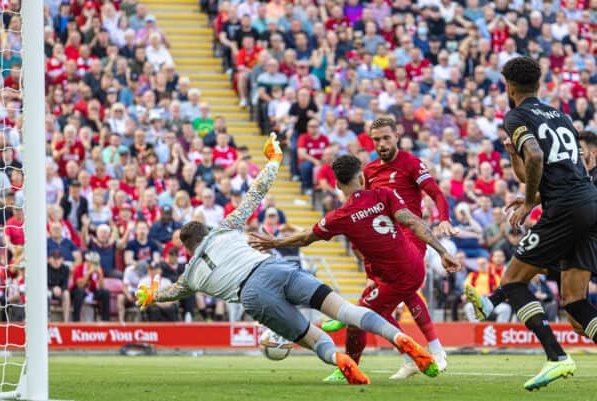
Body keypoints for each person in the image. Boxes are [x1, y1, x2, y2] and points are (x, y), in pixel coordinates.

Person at [137, 134, 441, 385]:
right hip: (272, 267)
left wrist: (152, 296)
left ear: (190, 250)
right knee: (346, 309)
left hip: (254, 295)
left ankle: (342, 361)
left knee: (312, 337)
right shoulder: (223, 229)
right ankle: (400, 338)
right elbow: (254, 195)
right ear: (207, 230)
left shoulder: (190, 275)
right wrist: (273, 162)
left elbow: (172, 292)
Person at [249, 154, 460, 381]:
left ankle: (349, 369)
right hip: (412, 266)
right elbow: (413, 222)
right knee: (372, 306)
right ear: (361, 178)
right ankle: (412, 357)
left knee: (356, 320)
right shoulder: (385, 194)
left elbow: (306, 238)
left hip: (397, 278)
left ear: (338, 185)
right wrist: (443, 252)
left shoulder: (340, 216)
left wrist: (275, 242)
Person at [466, 57, 597, 390]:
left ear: (509, 87)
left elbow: (536, 158)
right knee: (575, 302)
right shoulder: (561, 117)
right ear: (538, 84)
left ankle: (556, 357)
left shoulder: (517, 115)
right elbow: (548, 169)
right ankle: (489, 305)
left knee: (512, 281)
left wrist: (527, 203)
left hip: (565, 208)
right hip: (588, 203)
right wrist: (515, 158)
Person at [319, 117, 458, 381]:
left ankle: (435, 349)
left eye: (386, 138)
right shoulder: (369, 171)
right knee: (386, 299)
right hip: (385, 240)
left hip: (411, 236)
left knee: (401, 289)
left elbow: (436, 194)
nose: (382, 144)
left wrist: (444, 219)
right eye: (377, 140)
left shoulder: (411, 163)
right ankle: (408, 357)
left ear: (397, 136)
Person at [71, 252, 110, 322]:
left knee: (105, 293)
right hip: (78, 292)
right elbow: (80, 285)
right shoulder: (79, 268)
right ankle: (76, 320)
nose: (95, 265)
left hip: (91, 291)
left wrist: (100, 274)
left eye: (96, 263)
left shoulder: (98, 269)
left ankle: (105, 320)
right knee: (80, 291)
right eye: (93, 262)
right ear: (87, 261)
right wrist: (88, 273)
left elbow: (101, 287)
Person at [47, 250, 71, 322]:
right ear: (49, 259)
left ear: (62, 259)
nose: (56, 261)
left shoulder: (65, 268)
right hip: (49, 290)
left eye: (58, 258)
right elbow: (43, 283)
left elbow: (66, 284)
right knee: (46, 294)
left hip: (60, 291)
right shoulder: (45, 268)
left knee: (66, 294)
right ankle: (47, 319)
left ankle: (66, 321)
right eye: (54, 258)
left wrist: (61, 289)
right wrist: (52, 289)